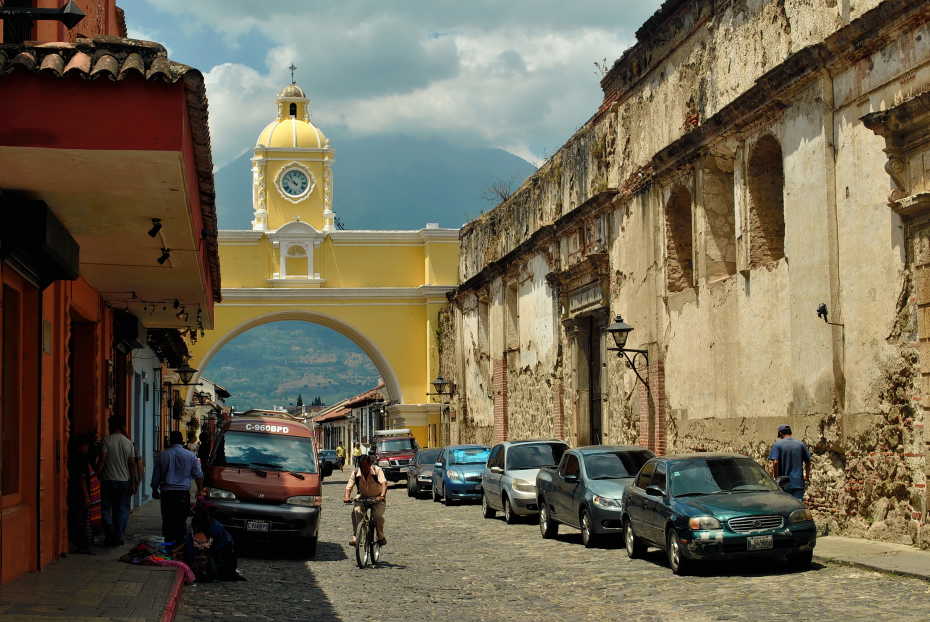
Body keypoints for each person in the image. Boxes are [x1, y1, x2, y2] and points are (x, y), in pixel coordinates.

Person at [152, 431, 204, 546]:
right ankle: (180, 546)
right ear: (182, 441)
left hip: (167, 494)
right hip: (182, 494)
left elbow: (156, 475)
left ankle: (168, 544)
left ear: (170, 441)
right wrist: (200, 490)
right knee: (181, 521)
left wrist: (154, 489)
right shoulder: (191, 455)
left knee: (167, 520)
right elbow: (199, 475)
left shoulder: (163, 455)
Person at [99, 415, 139, 546]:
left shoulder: (107, 441)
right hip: (124, 481)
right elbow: (132, 464)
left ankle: (109, 528)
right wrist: (134, 482)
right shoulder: (128, 443)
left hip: (108, 480)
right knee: (122, 508)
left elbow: (103, 461)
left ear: (111, 426)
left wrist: (97, 473)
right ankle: (119, 534)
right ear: (122, 426)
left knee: (106, 508)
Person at [185, 505, 242, 582]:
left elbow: (213, 550)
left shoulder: (216, 528)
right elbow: (190, 546)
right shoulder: (195, 526)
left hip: (223, 552)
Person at [67, 434, 102, 554]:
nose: (88, 448)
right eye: (86, 445)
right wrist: (87, 496)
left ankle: (83, 544)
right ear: (82, 446)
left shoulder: (79, 458)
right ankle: (84, 545)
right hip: (82, 495)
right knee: (85, 520)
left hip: (81, 494)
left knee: (83, 519)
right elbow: (82, 479)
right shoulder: (81, 459)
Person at [343, 454, 387, 547]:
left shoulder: (377, 470)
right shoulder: (356, 473)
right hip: (363, 497)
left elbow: (384, 483)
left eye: (366, 466)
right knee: (356, 511)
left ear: (370, 464)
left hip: (377, 498)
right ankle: (356, 536)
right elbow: (349, 487)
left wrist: (382, 496)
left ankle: (380, 537)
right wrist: (347, 497)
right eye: (362, 466)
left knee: (377, 517)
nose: (364, 469)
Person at [769, 424, 811, 501]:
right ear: (790, 432)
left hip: (784, 483)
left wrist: (776, 477)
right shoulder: (800, 444)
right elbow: (808, 462)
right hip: (798, 482)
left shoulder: (777, 445)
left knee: (784, 506)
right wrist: (807, 476)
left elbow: (775, 463)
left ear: (780, 433)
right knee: (797, 505)